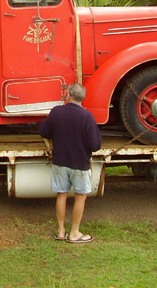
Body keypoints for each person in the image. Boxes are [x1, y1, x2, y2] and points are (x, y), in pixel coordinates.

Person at [39, 82, 102, 243]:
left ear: (68, 95)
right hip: (80, 164)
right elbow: (95, 145)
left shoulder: (57, 112)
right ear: (83, 99)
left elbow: (43, 131)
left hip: (60, 162)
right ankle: (74, 233)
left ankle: (61, 231)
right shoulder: (87, 117)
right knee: (80, 197)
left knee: (61, 195)